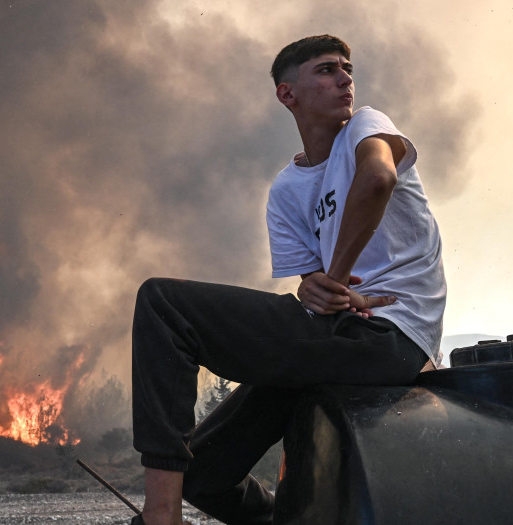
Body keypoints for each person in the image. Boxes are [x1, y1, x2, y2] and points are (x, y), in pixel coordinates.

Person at [129, 35, 446, 525]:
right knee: (203, 473)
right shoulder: (286, 190)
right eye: (325, 69)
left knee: (162, 303)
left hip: (389, 334)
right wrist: (317, 287)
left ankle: (159, 516)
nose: (344, 77)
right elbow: (315, 291)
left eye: (347, 68)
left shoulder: (367, 127)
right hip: (337, 339)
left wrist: (334, 281)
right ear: (287, 93)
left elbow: (378, 179)